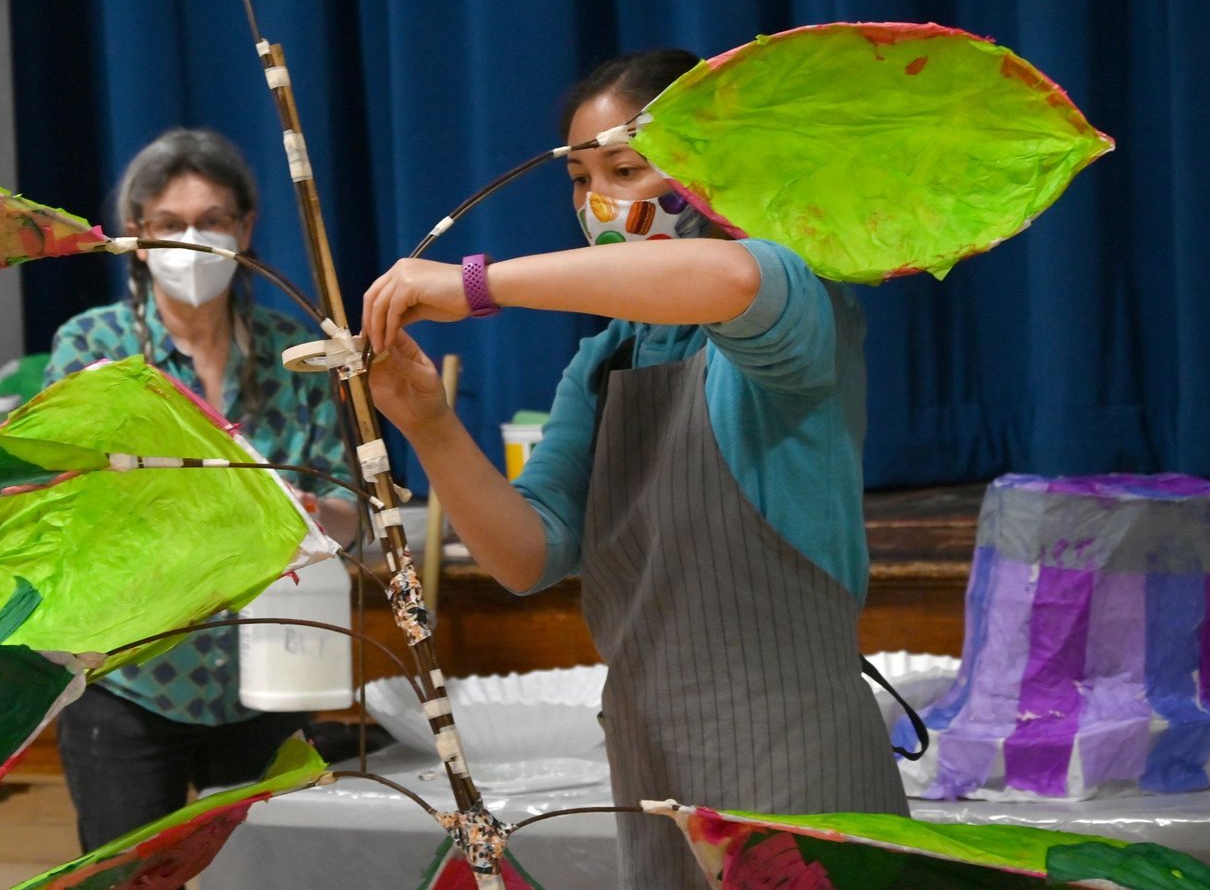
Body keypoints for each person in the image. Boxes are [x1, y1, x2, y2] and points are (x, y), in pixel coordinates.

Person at [362, 51, 908, 887]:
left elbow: (727, 277)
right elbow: (524, 555)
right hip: (652, 761)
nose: (598, 202)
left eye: (625, 168)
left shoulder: (798, 293)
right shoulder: (605, 359)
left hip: (795, 754)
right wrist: (428, 422)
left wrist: (475, 283)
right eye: (580, 178)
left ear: (710, 169)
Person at [46, 128, 359, 853]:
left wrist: (316, 516)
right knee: (125, 872)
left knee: (262, 873)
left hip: (270, 681)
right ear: (138, 235)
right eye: (170, 223)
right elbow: (79, 502)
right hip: (125, 679)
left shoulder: (299, 351)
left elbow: (350, 513)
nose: (193, 238)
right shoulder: (95, 350)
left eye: (212, 220)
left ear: (244, 228)